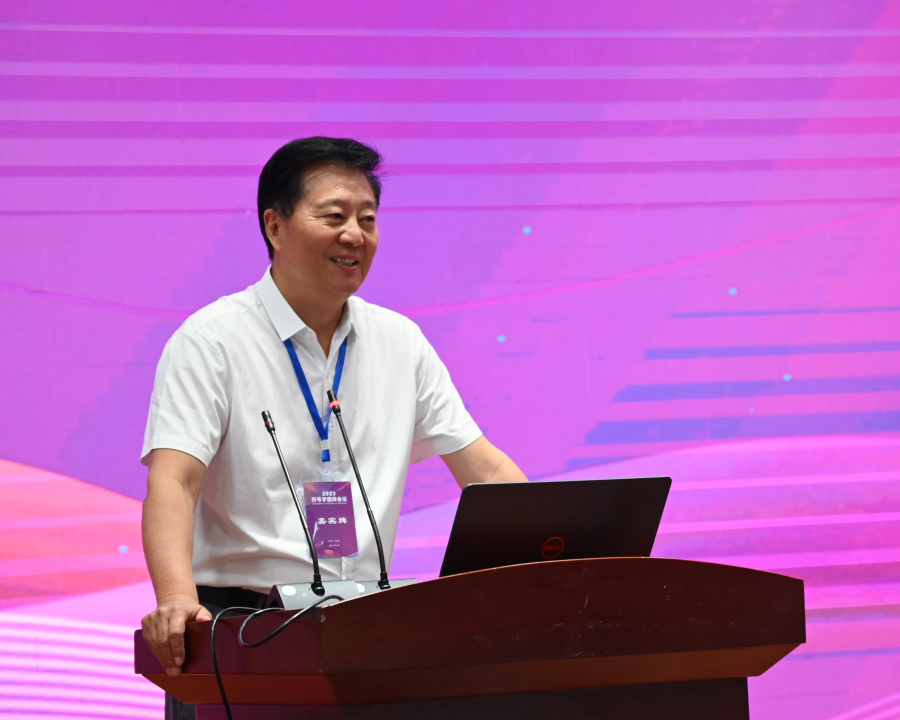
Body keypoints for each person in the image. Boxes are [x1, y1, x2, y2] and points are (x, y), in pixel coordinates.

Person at [139, 137, 528, 719]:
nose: (355, 235)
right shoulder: (212, 341)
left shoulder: (399, 342)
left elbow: (484, 467)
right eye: (334, 216)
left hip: (365, 632)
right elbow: (175, 480)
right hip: (240, 632)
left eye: (367, 219)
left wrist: (564, 559)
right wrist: (176, 598)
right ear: (275, 226)